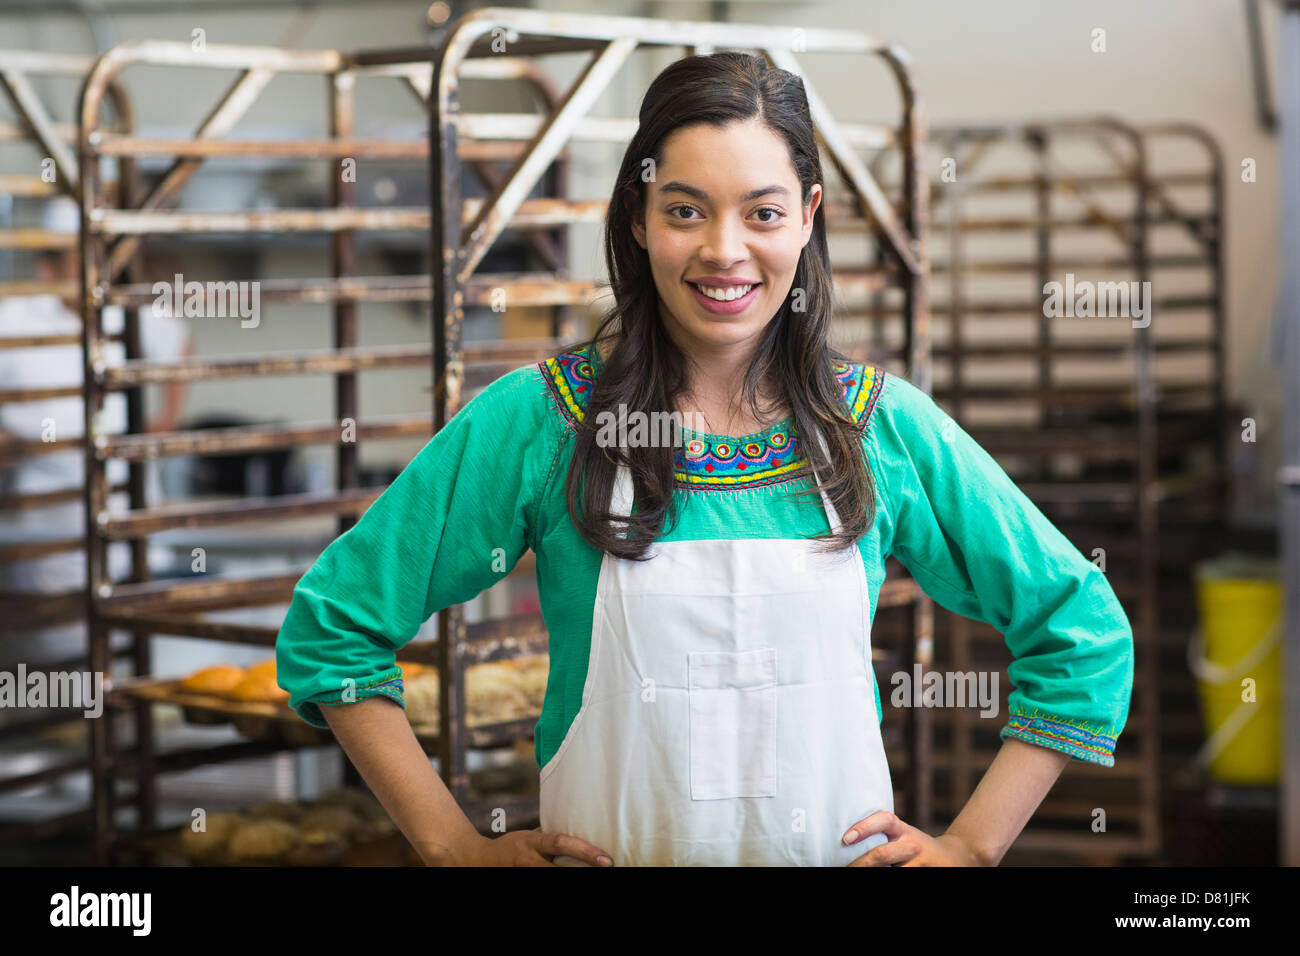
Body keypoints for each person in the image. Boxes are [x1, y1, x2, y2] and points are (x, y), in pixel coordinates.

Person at [275, 52, 1134, 867]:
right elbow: (337, 626)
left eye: (762, 212)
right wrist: (450, 847)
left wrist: (974, 844)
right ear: (639, 220)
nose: (725, 250)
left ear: (808, 215)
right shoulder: (542, 424)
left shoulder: (880, 429)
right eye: (685, 210)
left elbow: (1080, 630)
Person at [0, 196, 192, 669]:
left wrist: (160, 425)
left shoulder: (132, 315)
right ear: (48, 267)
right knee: (52, 673)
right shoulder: (14, 320)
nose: (97, 270)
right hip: (41, 541)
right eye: (81, 259)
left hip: (130, 531)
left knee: (127, 662)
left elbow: (181, 349)